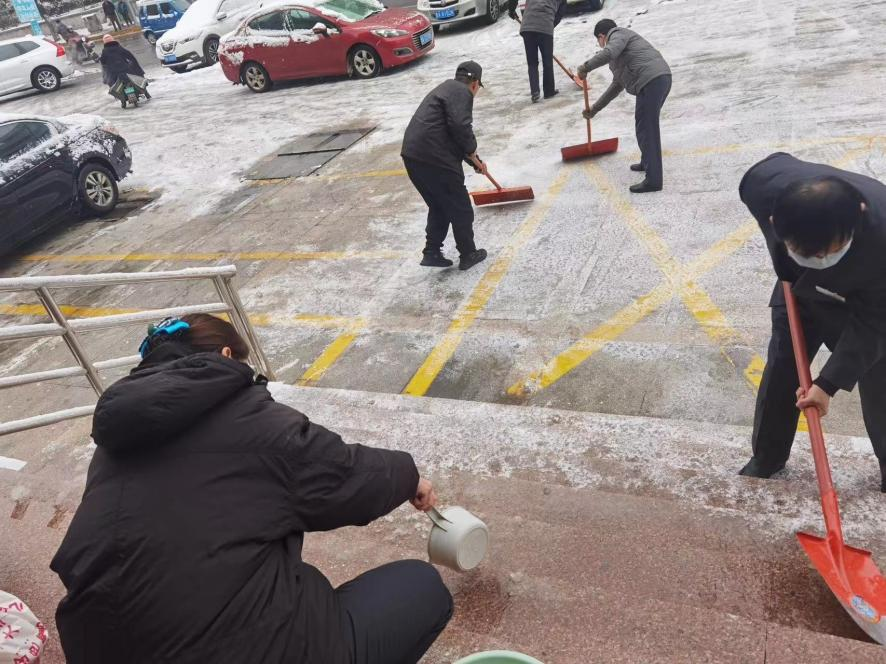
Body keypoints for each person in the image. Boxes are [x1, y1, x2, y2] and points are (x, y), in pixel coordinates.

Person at [50, 314, 454, 663]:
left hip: (97, 649)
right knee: (421, 588)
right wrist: (409, 476)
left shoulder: (113, 446)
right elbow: (344, 476)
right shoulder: (247, 418)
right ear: (226, 356)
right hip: (239, 651)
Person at [738, 152, 886, 492]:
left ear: (858, 218)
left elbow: (876, 324)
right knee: (782, 367)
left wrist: (827, 384)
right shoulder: (760, 186)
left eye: (828, 252)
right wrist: (788, 266)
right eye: (807, 253)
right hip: (797, 293)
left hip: (866, 300)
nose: (820, 260)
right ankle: (767, 457)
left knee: (880, 378)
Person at [401, 61, 488, 271]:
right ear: (475, 83)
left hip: (413, 154)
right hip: (434, 157)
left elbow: (449, 132)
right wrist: (472, 148)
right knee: (460, 206)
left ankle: (431, 252)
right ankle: (468, 253)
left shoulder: (446, 89)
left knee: (439, 205)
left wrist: (474, 161)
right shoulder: (461, 92)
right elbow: (460, 127)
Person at [576, 19, 672, 193]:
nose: (601, 45)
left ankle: (654, 181)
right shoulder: (619, 58)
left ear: (601, 36)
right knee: (642, 126)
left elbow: (609, 52)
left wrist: (586, 67)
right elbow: (615, 87)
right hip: (654, 80)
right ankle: (647, 162)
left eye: (599, 41)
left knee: (648, 130)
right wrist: (594, 109)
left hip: (651, 80)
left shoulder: (618, 35)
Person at [508, 0, 566, 103]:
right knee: (547, 61)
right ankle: (549, 91)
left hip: (527, 26)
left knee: (532, 62)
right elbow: (560, 14)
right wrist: (550, 24)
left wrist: (511, 10)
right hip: (545, 26)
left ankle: (535, 92)